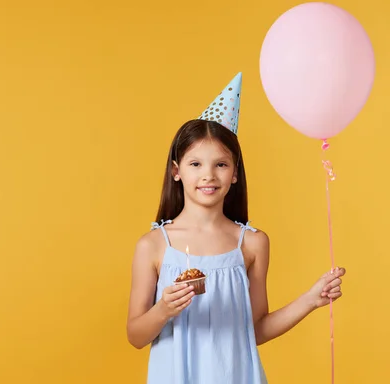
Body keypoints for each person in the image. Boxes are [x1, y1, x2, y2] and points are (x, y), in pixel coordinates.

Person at [126, 73, 346, 383]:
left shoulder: (253, 244)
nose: (208, 175)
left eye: (221, 164)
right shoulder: (153, 245)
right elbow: (135, 336)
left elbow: (255, 329)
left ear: (235, 173)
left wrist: (310, 300)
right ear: (176, 171)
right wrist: (164, 308)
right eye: (195, 164)